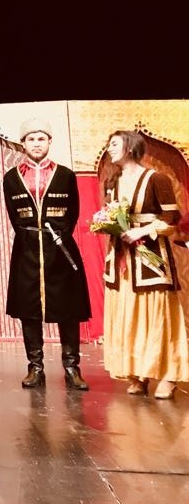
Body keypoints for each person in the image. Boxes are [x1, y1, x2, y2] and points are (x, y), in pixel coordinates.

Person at [2, 118, 91, 391]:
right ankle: (35, 367)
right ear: (23, 143)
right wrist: (31, 235)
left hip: (60, 249)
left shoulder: (65, 175)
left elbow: (73, 212)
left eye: (41, 138)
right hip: (27, 249)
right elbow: (13, 215)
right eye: (31, 139)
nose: (36, 143)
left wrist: (58, 236)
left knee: (67, 309)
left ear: (50, 142)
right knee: (29, 311)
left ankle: (72, 367)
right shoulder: (11, 177)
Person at [99, 130, 188, 399]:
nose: (110, 149)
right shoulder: (112, 181)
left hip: (150, 258)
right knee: (128, 313)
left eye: (114, 144)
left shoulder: (155, 179)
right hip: (122, 258)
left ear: (130, 147)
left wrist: (142, 231)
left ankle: (170, 374)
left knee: (155, 314)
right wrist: (107, 225)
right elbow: (110, 213)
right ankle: (137, 373)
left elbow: (172, 216)